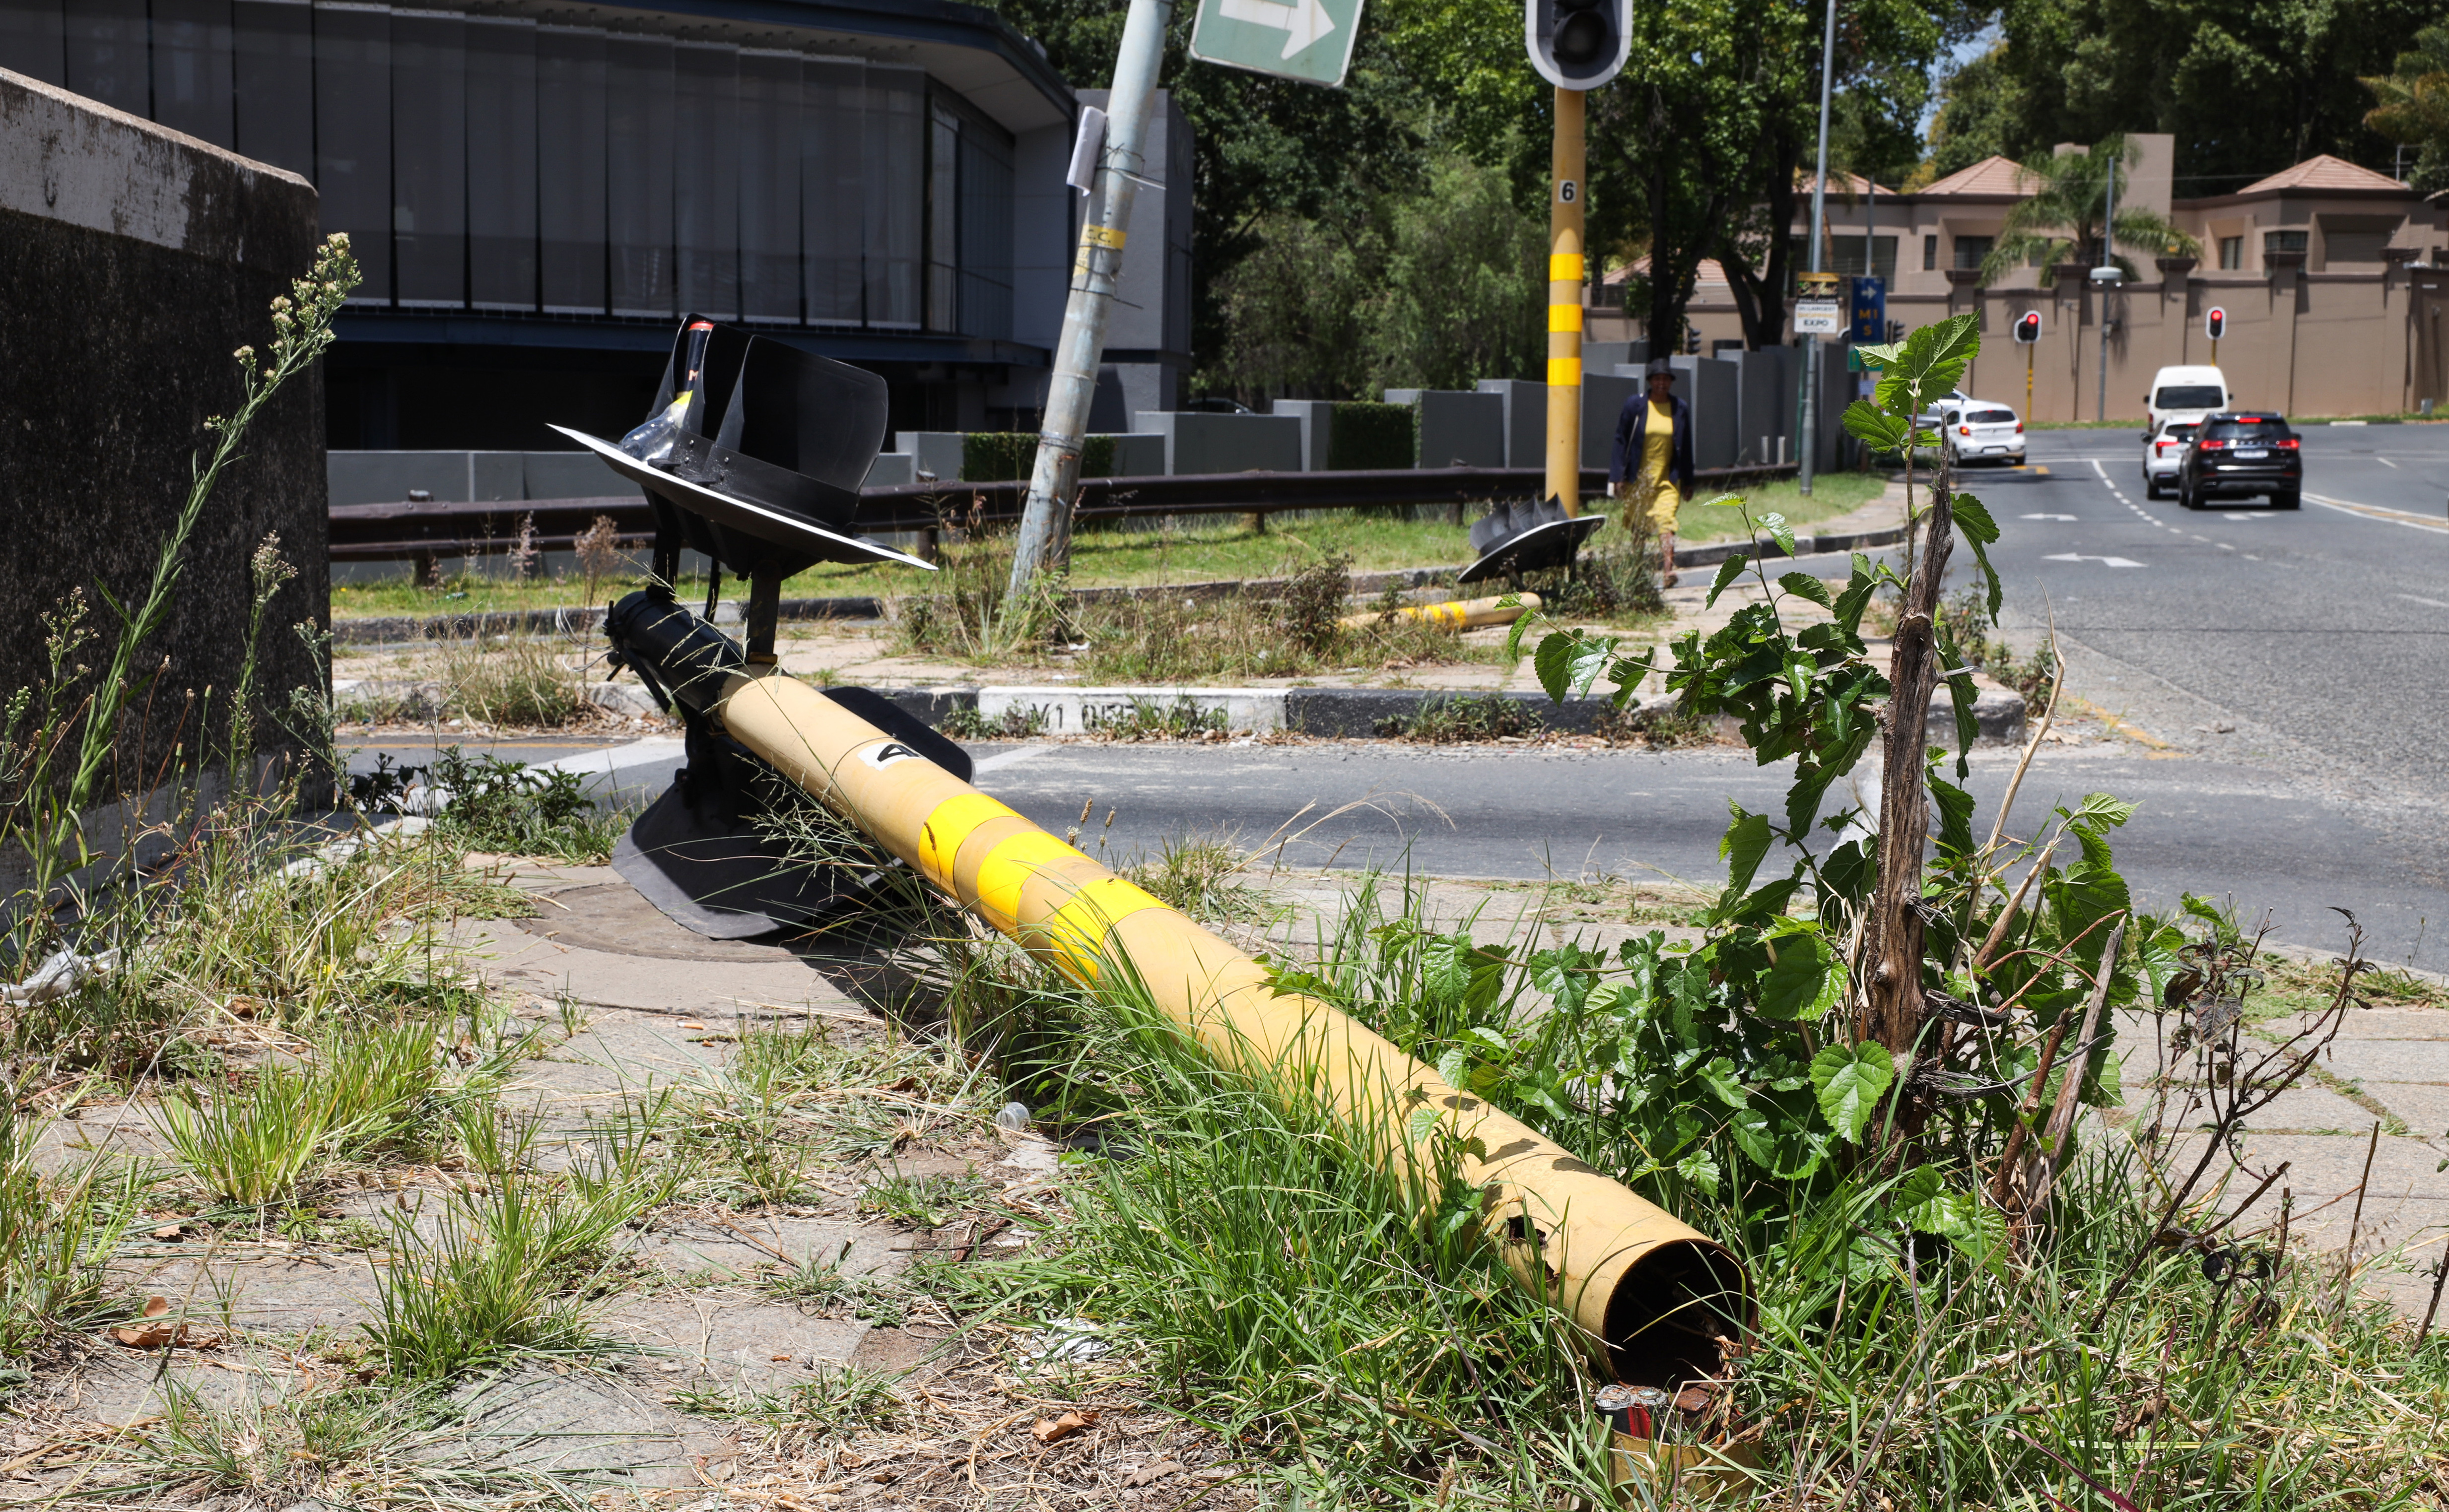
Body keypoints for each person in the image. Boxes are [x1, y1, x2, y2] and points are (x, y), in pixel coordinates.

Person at [1609, 359, 1695, 585]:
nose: (1661, 383)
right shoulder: (1635, 406)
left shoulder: (1679, 408)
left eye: (1666, 379)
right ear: (1650, 381)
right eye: (1657, 379)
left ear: (1671, 382)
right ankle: (1636, 570)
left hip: (1667, 479)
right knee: (1638, 525)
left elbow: (1686, 446)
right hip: (1637, 480)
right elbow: (1620, 440)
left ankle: (1668, 571)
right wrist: (1617, 477)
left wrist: (1689, 481)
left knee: (1667, 521)